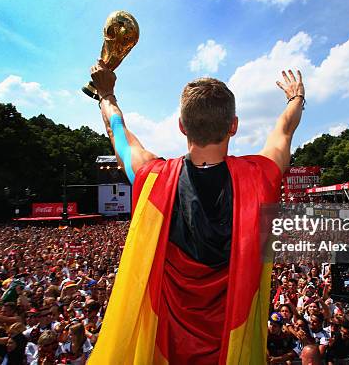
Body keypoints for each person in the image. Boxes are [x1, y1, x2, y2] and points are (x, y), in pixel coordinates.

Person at [88, 60, 305, 363]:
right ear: (234, 125)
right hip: (232, 350)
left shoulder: (153, 178)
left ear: (181, 125)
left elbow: (118, 134)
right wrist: (296, 97)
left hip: (167, 348)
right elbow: (284, 130)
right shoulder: (259, 178)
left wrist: (106, 95)